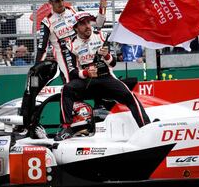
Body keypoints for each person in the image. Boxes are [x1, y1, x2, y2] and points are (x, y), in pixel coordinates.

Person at [55, 12, 150, 141]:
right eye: (83, 24)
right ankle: (66, 127)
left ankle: (146, 127)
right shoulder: (70, 44)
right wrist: (86, 73)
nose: (87, 26)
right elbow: (72, 72)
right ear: (76, 27)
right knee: (67, 89)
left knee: (130, 96)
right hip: (86, 81)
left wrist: (106, 56)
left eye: (88, 22)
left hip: (105, 77)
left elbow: (113, 63)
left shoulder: (101, 36)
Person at [35, 0, 107, 83]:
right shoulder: (47, 22)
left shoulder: (74, 11)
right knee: (71, 84)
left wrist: (102, 9)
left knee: (98, 80)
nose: (60, 3)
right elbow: (42, 48)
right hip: (63, 56)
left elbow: (98, 23)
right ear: (50, 2)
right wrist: (36, 68)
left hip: (81, 52)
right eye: (57, 1)